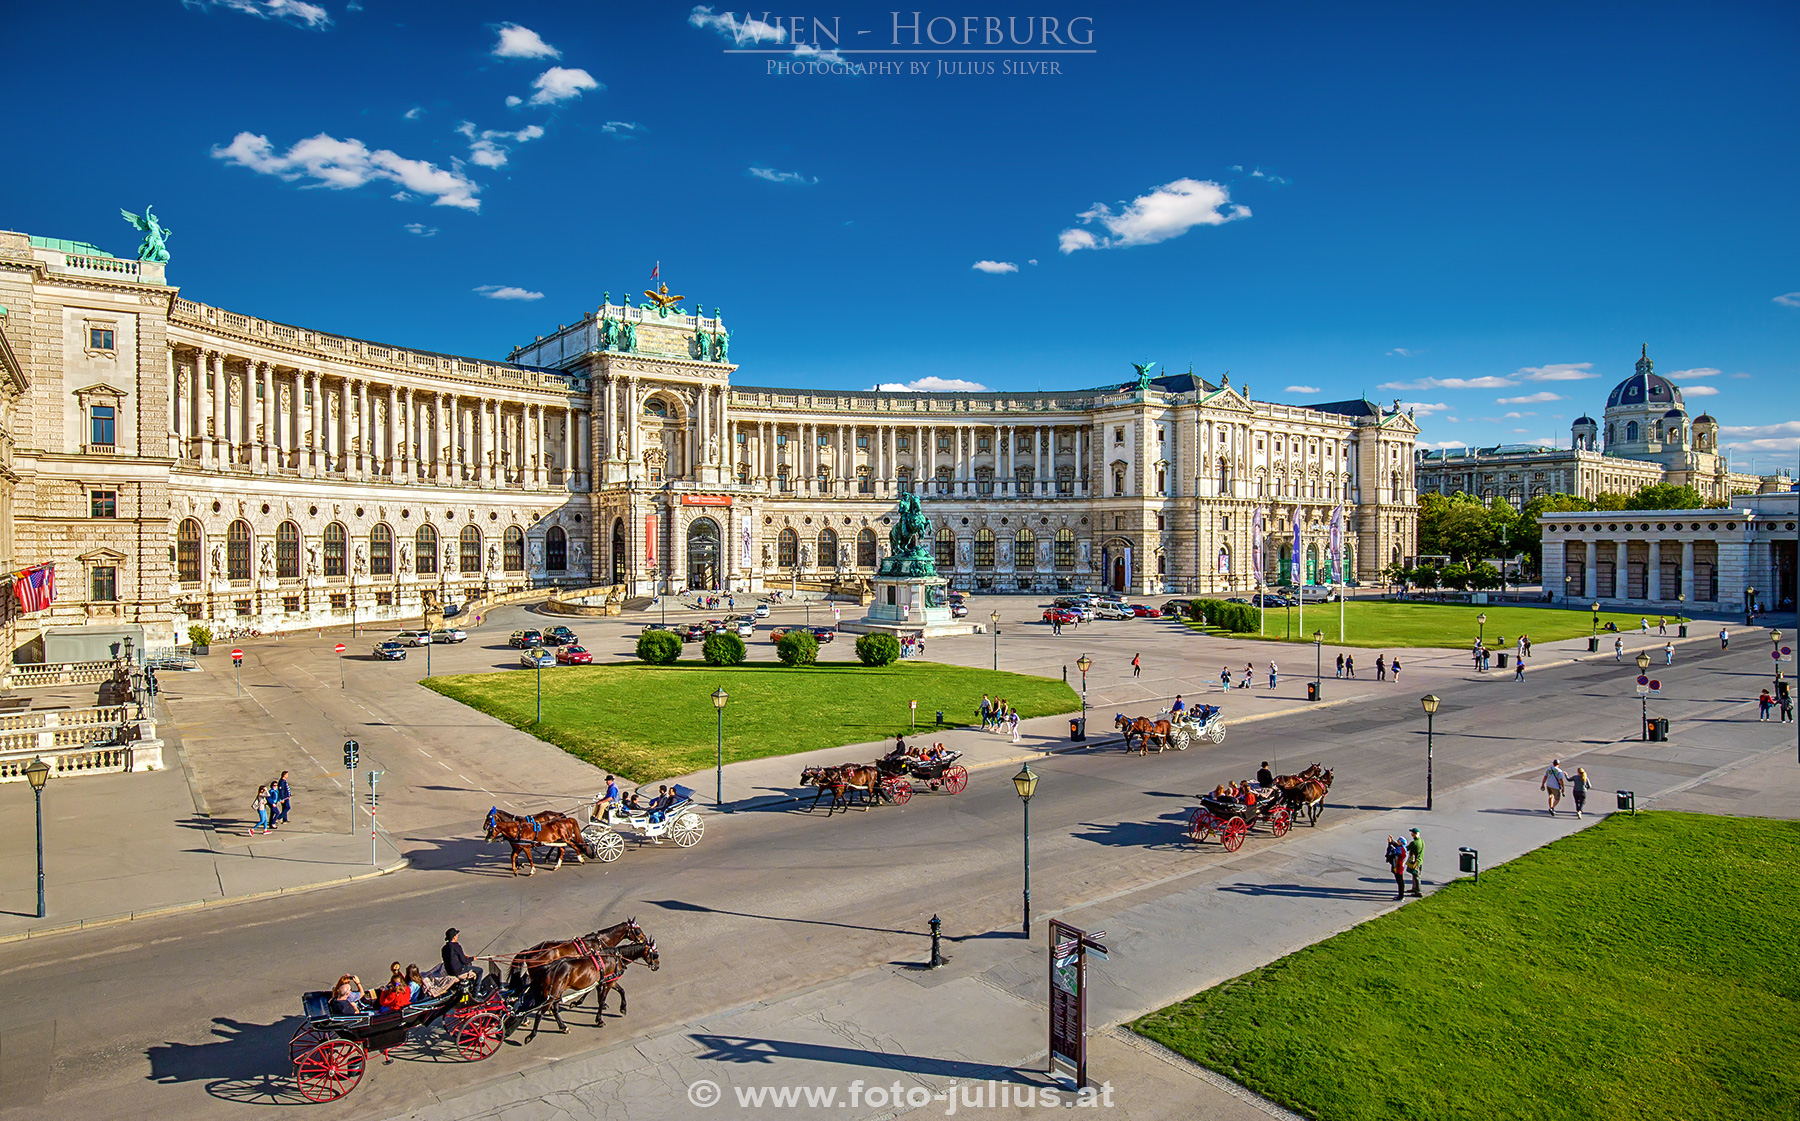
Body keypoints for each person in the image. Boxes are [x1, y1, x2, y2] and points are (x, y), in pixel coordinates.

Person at [1385, 835, 1408, 900]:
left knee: (1400, 882)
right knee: (1400, 881)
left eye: (1398, 841)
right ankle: (1401, 895)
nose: (1397, 841)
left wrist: (1390, 844)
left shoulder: (1400, 851)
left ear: (1401, 842)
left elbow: (1392, 852)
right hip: (1399, 867)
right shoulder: (1402, 848)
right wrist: (1391, 841)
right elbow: (1396, 846)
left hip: (1398, 868)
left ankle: (1401, 896)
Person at [1405, 828, 1424, 897]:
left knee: (1416, 876)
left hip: (1415, 862)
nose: (1411, 834)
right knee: (1415, 875)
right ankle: (1414, 888)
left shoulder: (1414, 843)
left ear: (1414, 834)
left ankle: (1418, 891)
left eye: (1412, 833)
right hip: (1420, 860)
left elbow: (1406, 849)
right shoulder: (1421, 841)